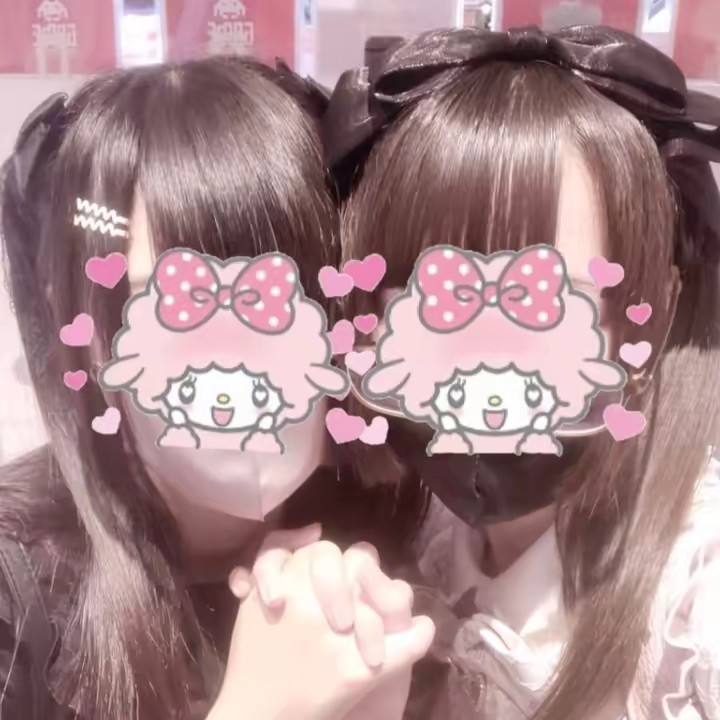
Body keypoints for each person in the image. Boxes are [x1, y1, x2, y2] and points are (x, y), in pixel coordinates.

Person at [0, 56, 434, 720]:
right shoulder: (17, 581)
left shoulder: (401, 526)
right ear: (84, 330)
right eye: (176, 310)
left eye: (280, 301)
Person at [329, 25, 720, 720]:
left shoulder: (695, 598)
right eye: (436, 303)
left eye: (541, 305)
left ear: (650, 312)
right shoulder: (412, 539)